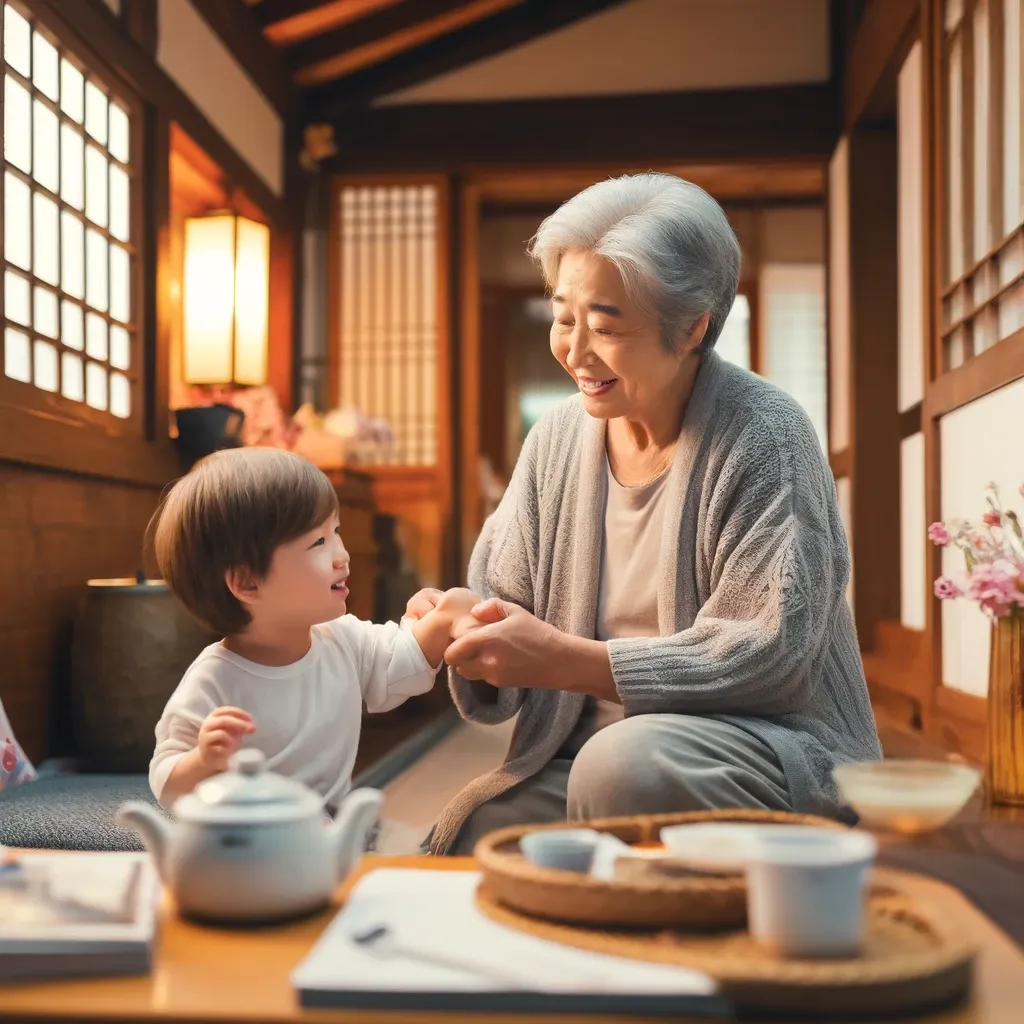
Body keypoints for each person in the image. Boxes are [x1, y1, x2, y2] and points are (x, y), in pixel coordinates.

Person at [409, 173, 881, 856]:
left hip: (765, 752)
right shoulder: (557, 437)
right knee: (476, 838)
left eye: (604, 326)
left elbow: (770, 656)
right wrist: (468, 627)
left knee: (622, 767)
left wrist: (561, 659)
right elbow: (502, 595)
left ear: (692, 327)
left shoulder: (766, 436)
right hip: (582, 759)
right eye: (563, 318)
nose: (574, 350)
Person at [148, 447, 479, 812]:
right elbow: (167, 785)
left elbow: (403, 661)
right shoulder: (215, 680)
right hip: (249, 841)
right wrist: (203, 760)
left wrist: (443, 617)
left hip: (324, 832)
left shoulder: (342, 639)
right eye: (318, 542)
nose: (342, 554)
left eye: (335, 532)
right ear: (248, 584)